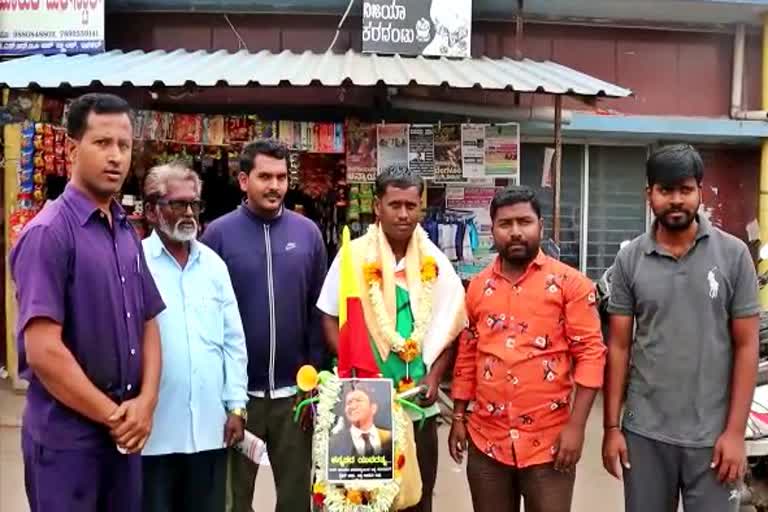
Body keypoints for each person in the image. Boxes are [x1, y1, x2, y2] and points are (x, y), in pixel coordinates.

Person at [9, 93, 166, 512]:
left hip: (123, 437)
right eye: (102, 143)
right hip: (68, 442)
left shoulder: (125, 230)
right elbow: (44, 352)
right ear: (73, 149)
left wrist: (146, 403)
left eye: (124, 145)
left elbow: (149, 320)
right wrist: (116, 417)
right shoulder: (49, 234)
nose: (116, 156)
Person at [602, 144, 760, 511]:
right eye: (665, 190)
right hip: (645, 435)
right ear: (649, 195)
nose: (676, 200)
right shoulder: (630, 259)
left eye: (685, 190)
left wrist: (736, 433)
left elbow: (747, 345)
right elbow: (620, 346)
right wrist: (612, 428)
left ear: (699, 193)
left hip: (714, 436)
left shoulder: (734, 255)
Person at [317, 165, 467, 512]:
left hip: (417, 406)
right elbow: (327, 315)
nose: (403, 214)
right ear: (377, 207)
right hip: (364, 405)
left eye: (411, 206)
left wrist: (433, 376)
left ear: (421, 209)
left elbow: (451, 326)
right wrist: (356, 377)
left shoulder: (435, 261)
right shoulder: (353, 255)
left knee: (417, 498)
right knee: (362, 502)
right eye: (395, 204)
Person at [450, 186, 606, 512]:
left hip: (549, 444)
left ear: (541, 226)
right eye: (506, 224)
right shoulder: (477, 287)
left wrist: (576, 428)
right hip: (487, 442)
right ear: (492, 230)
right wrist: (459, 417)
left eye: (525, 221)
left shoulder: (571, 285)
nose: (516, 232)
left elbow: (591, 356)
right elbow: (467, 354)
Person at [200, 139, 328, 512]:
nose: (275, 186)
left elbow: (318, 311)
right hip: (239, 400)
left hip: (295, 398)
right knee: (233, 499)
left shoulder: (308, 235)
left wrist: (315, 379)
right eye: (265, 177)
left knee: (295, 499)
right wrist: (223, 392)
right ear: (243, 180)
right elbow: (208, 318)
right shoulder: (218, 237)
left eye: (282, 177)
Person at [140, 162, 249, 512]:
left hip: (208, 429)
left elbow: (233, 341)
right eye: (177, 204)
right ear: (152, 211)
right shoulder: (134, 262)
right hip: (153, 433)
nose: (188, 212)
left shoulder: (214, 266)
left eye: (194, 204)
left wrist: (236, 405)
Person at [330, 385, 393, 459]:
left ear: (373, 408)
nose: (353, 406)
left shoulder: (390, 437)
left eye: (358, 400)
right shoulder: (334, 443)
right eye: (349, 402)